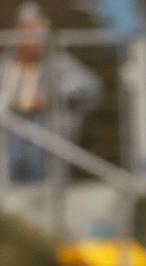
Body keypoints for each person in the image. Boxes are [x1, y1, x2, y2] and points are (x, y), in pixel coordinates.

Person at [0, 1, 101, 182]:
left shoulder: (58, 65)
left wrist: (50, 96)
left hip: (45, 143)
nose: (32, 41)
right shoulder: (5, 67)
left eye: (37, 35)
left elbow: (90, 87)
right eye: (27, 33)